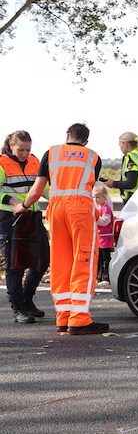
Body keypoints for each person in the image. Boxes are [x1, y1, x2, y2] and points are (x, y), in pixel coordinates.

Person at [16, 123, 108, 335]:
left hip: (56, 208)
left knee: (61, 261)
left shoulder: (51, 153)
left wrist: (24, 206)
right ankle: (79, 318)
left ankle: (63, 316)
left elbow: (37, 189)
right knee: (84, 259)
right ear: (85, 141)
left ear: (68, 135)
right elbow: (90, 188)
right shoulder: (92, 157)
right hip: (80, 210)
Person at [0, 131, 49, 324]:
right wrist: (13, 201)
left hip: (33, 216)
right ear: (11, 146)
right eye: (20, 149)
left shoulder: (35, 161)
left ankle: (27, 299)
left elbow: (43, 188)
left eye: (28, 149)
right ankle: (18, 307)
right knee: (15, 264)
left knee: (43, 259)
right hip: (10, 217)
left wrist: (62, 199)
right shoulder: (2, 163)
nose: (24, 154)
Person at [105, 132, 138, 200]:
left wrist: (113, 184)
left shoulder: (131, 158)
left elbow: (131, 183)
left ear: (125, 144)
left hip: (135, 198)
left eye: (120, 144)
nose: (120, 147)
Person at [93, 183, 114, 288]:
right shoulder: (97, 208)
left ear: (104, 197)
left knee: (106, 258)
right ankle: (98, 276)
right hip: (99, 236)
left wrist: (96, 218)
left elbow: (105, 221)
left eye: (98, 197)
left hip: (106, 236)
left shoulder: (106, 208)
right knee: (99, 258)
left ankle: (107, 277)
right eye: (94, 197)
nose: (96, 199)